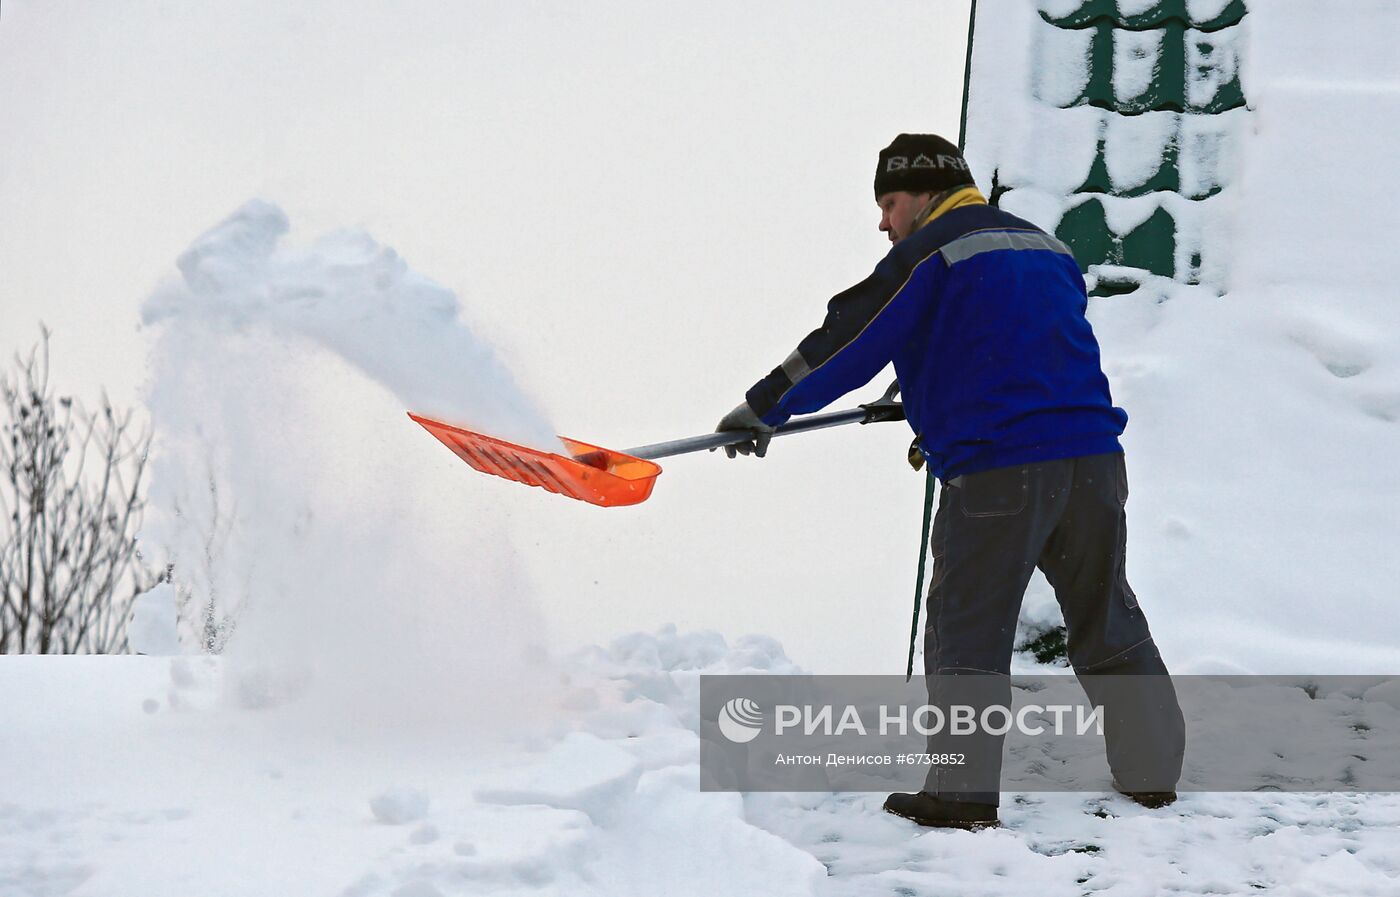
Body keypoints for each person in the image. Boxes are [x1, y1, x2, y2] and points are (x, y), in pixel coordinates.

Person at [715, 133, 1185, 829]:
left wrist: (762, 406)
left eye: (890, 202)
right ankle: (1153, 772)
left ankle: (961, 794)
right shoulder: (1042, 246)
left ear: (925, 191)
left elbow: (848, 338)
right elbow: (1013, 343)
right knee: (1105, 613)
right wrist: (926, 392)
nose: (884, 220)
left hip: (1001, 470)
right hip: (1093, 460)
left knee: (969, 622)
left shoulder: (929, 251)